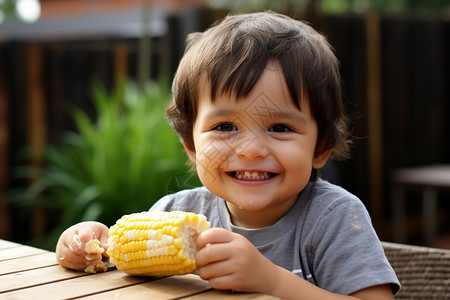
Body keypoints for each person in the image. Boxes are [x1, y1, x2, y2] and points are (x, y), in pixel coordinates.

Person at [56, 11, 400, 299]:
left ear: (321, 148)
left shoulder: (333, 219)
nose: (250, 150)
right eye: (224, 127)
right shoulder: (177, 213)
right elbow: (119, 273)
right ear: (191, 146)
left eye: (280, 127)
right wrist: (84, 248)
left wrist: (273, 281)